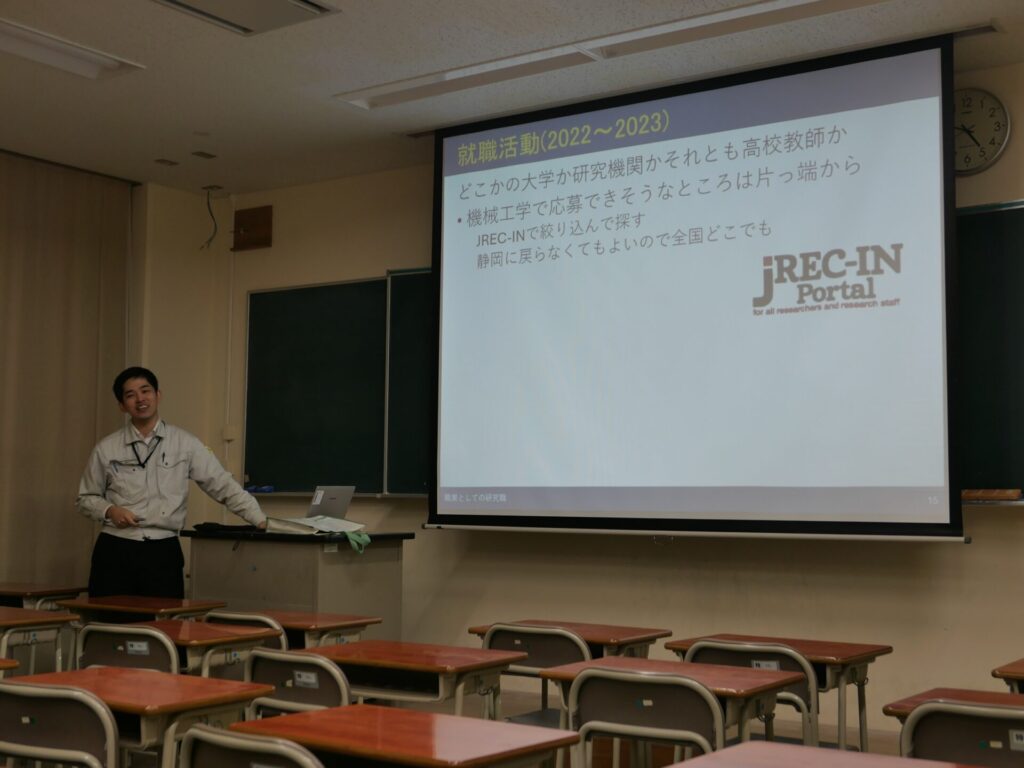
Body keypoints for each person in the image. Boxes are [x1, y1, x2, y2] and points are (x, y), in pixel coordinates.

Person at [77, 366, 266, 597]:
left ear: (158, 395)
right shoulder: (106, 448)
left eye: (145, 391)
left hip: (163, 550)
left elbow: (222, 484)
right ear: (122, 405)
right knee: (110, 618)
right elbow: (85, 498)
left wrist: (259, 519)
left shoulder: (185, 443)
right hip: (116, 548)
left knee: (164, 619)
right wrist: (110, 510)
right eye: (130, 395)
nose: (140, 399)